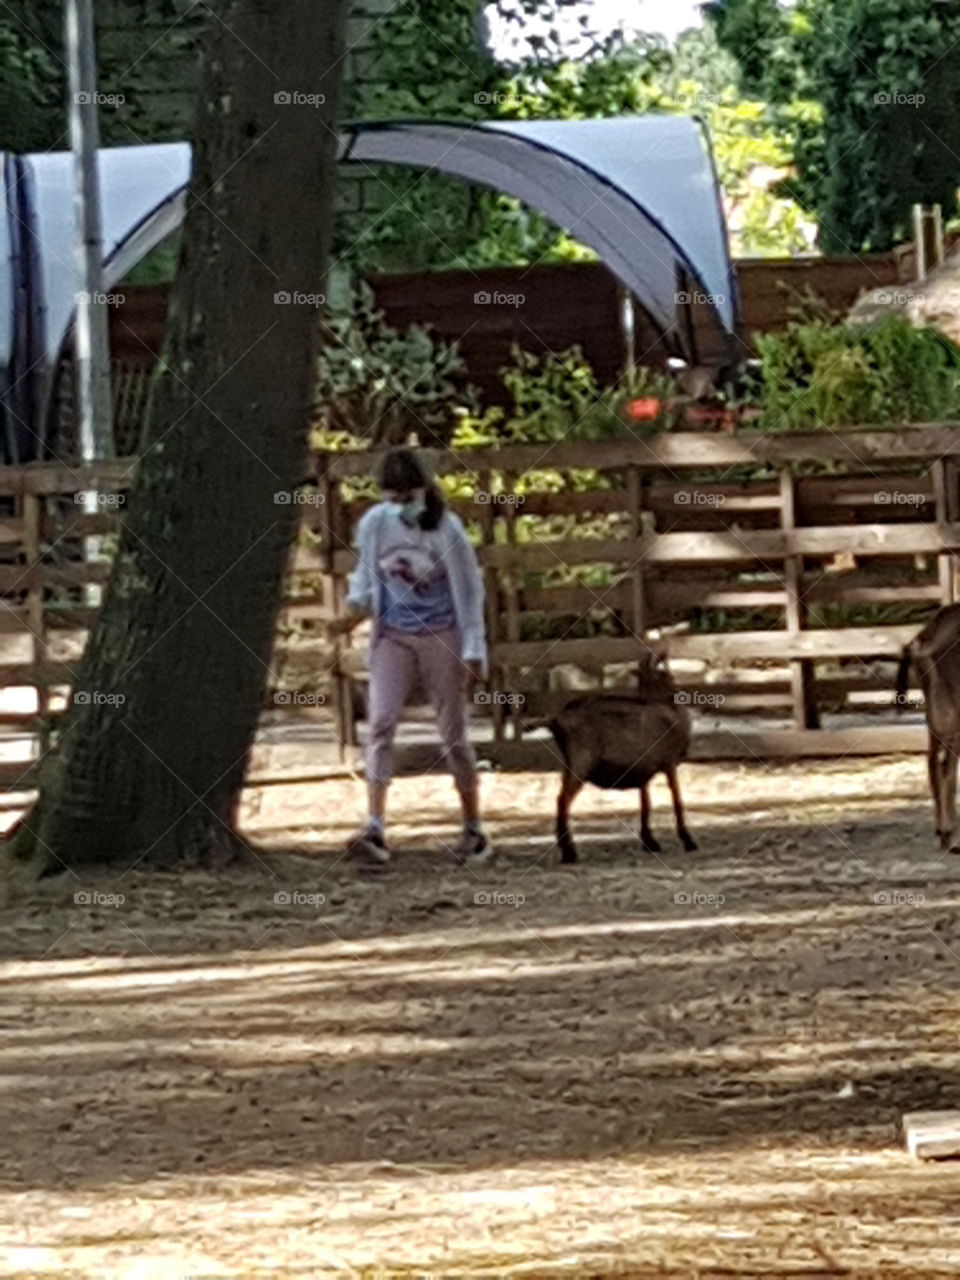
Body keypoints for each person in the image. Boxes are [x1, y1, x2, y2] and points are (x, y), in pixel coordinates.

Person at [328, 447, 493, 867]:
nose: (401, 504)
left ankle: (473, 825)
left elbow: (469, 592)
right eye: (393, 496)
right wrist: (353, 611)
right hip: (394, 634)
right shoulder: (375, 524)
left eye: (408, 496)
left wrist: (473, 650)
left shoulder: (446, 529)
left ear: (424, 490)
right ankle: (374, 824)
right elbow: (367, 577)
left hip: (441, 632)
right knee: (381, 723)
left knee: (452, 731)